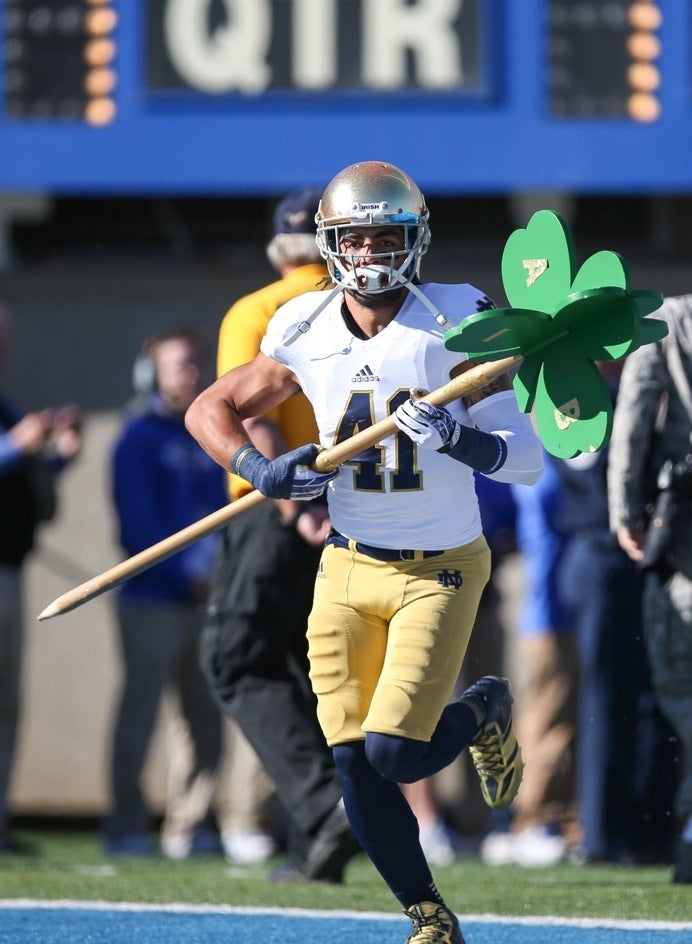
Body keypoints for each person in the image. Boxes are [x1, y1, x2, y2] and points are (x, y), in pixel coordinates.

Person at [186, 160, 543, 943]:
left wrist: (461, 435)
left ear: (416, 241)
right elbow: (211, 407)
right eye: (358, 236)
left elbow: (527, 459)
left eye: (389, 235)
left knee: (395, 753)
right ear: (331, 244)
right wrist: (257, 469)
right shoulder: (303, 325)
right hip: (346, 563)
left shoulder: (460, 317)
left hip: (441, 566)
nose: (373, 251)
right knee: (352, 765)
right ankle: (429, 917)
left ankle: (483, 709)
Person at [199, 185, 361, 882]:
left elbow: (250, 411)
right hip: (354, 512)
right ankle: (318, 838)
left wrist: (288, 502)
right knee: (308, 671)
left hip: (279, 510)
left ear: (278, 248)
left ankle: (331, 805)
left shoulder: (262, 308)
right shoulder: (363, 306)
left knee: (236, 658)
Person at [103, 328, 228, 859]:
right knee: (141, 714)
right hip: (153, 599)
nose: (191, 374)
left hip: (206, 597)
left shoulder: (207, 431)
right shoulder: (138, 438)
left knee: (203, 717)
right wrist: (186, 577)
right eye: (179, 365)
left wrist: (216, 575)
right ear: (150, 373)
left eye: (196, 363)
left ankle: (190, 825)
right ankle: (127, 825)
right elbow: (139, 525)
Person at [608, 295, 692, 884]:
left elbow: (635, 414)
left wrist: (625, 510)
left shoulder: (670, 321)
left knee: (681, 687)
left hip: (683, 536)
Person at [0, 303, 82, 852]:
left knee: (8, 704)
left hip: (11, 567)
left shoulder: (5, 402)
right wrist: (15, 445)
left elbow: (20, 484)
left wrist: (58, 458)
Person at [481, 452, 580, 868]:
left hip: (552, 600)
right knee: (546, 716)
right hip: (546, 603)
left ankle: (525, 821)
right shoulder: (537, 446)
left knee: (545, 713)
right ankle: (532, 820)